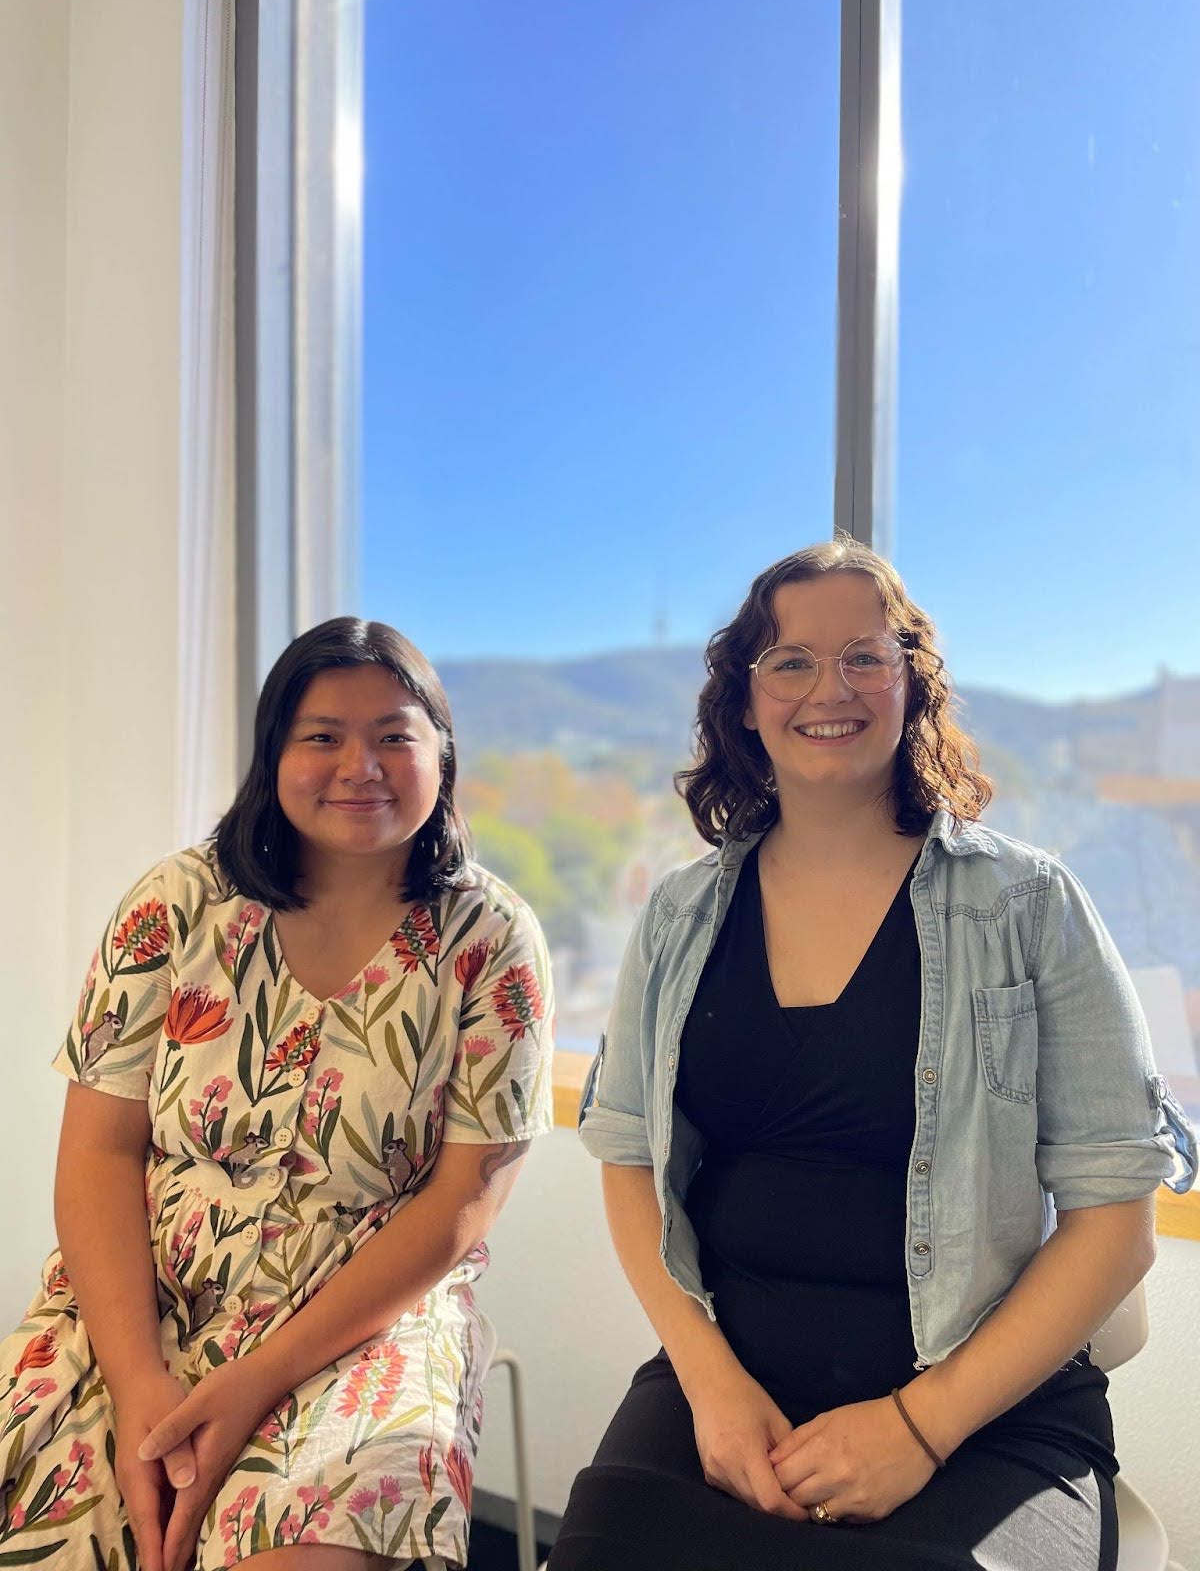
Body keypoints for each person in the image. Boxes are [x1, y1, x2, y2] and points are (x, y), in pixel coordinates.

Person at [551, 539, 1196, 1571]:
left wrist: (919, 1424)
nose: (829, 688)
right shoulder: (678, 915)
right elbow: (629, 1159)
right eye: (791, 660)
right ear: (746, 699)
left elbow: (1116, 1224)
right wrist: (710, 1385)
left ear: (911, 681)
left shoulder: (1030, 906)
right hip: (731, 1382)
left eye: (864, 656)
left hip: (987, 1408)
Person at [0, 618, 555, 1571]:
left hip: (368, 1314)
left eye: (394, 735)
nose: (360, 765)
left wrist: (257, 1380)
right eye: (322, 735)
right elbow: (98, 1153)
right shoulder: (173, 905)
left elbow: (463, 1199)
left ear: (442, 754)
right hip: (150, 1302)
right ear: (273, 755)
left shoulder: (491, 939)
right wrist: (142, 1394)